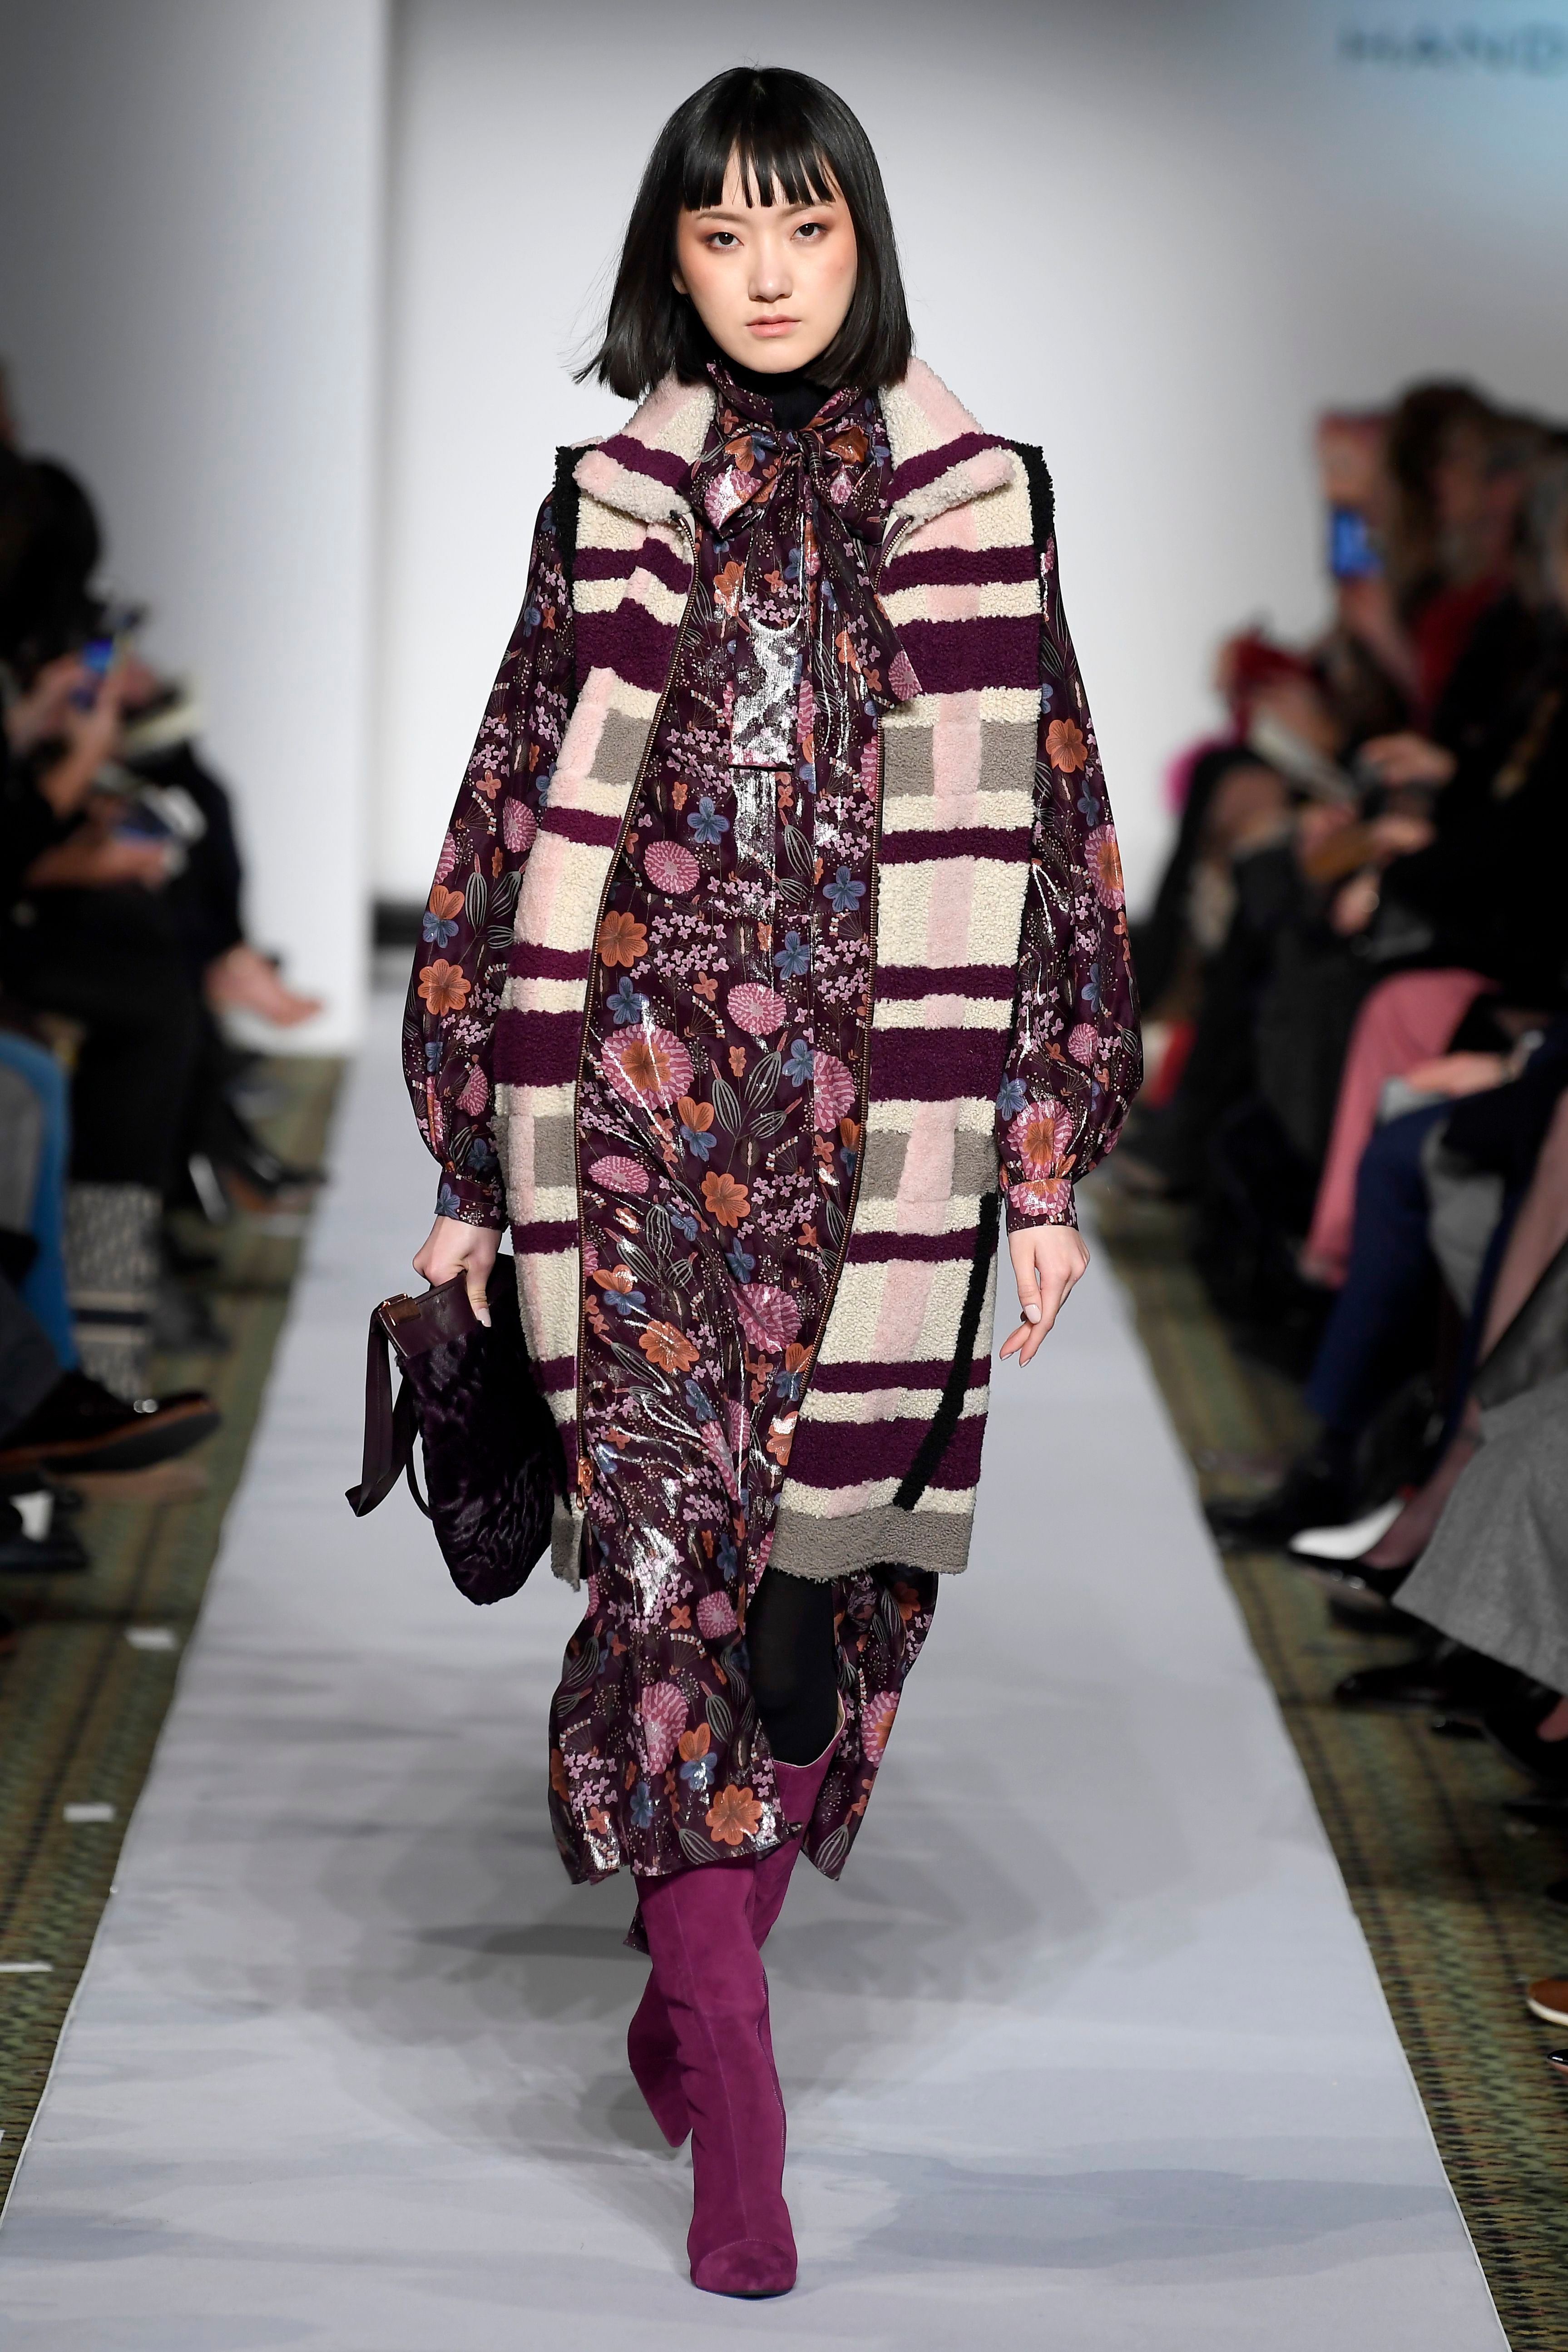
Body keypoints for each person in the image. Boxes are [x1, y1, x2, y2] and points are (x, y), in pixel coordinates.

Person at [402, 66, 1139, 2298]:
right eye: (724, 236)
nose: (769, 274)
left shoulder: (985, 502)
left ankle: (687, 1972)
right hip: (628, 1126)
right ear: (675, 259)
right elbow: (508, 803)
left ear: (862, 241)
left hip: (873, 1150)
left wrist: (1041, 1166)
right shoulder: (603, 503)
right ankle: (737, 2093)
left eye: (805, 229)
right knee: (659, 1589)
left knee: (831, 1622)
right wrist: (469, 1156)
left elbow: (1058, 841)